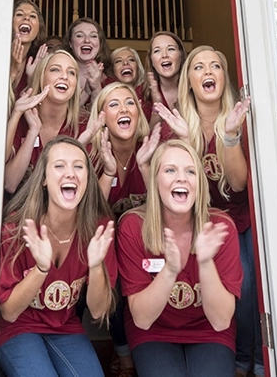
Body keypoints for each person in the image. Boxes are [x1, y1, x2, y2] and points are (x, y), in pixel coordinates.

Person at [157, 45, 260, 377]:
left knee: (248, 289)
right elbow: (182, 187)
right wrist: (187, 142)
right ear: (189, 80)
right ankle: (236, 358)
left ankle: (253, 360)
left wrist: (229, 136)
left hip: (240, 221)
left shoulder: (237, 120)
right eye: (199, 67)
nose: (208, 72)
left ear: (222, 76)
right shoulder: (179, 124)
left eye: (215, 66)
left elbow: (238, 183)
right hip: (203, 223)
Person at [117, 139, 242, 377]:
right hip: (154, 330)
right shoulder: (133, 226)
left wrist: (205, 263)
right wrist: (170, 270)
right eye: (170, 170)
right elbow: (142, 319)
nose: (181, 178)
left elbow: (221, 321)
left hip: (208, 329)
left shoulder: (221, 227)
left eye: (190, 171)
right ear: (155, 181)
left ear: (199, 184)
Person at [0, 136, 117, 377]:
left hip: (64, 326)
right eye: (59, 165)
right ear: (43, 179)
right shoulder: (17, 229)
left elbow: (98, 310)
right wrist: (41, 269)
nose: (70, 173)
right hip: (17, 327)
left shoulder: (99, 228)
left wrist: (95, 266)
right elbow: (9, 312)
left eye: (79, 166)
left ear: (88, 180)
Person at [88, 82, 161, 377]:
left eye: (129, 102)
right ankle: (123, 355)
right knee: (112, 270)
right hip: (103, 242)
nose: (123, 109)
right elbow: (90, 214)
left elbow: (167, 206)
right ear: (102, 115)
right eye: (114, 104)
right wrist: (107, 172)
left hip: (145, 241)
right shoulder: (92, 154)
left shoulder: (152, 148)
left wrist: (145, 168)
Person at [4, 50, 99, 193]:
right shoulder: (22, 118)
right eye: (55, 70)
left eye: (71, 73)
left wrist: (80, 144)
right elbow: (9, 184)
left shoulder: (84, 125)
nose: (64, 77)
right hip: (22, 212)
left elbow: (87, 195)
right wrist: (32, 131)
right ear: (41, 78)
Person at [67, 18, 112, 108]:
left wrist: (96, 88)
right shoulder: (59, 77)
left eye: (93, 36)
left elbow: (107, 117)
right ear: (70, 43)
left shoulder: (111, 81)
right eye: (79, 36)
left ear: (100, 44)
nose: (87, 40)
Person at [144, 31, 185, 124]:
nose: (164, 55)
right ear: (152, 61)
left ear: (181, 55)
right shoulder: (140, 93)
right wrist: (157, 107)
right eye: (157, 51)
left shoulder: (195, 88)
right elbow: (144, 137)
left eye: (171, 49)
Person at [9, 0, 48, 95]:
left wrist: (32, 80)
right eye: (19, 14)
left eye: (32, 16)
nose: (26, 18)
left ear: (39, 28)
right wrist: (13, 70)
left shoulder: (35, 63)